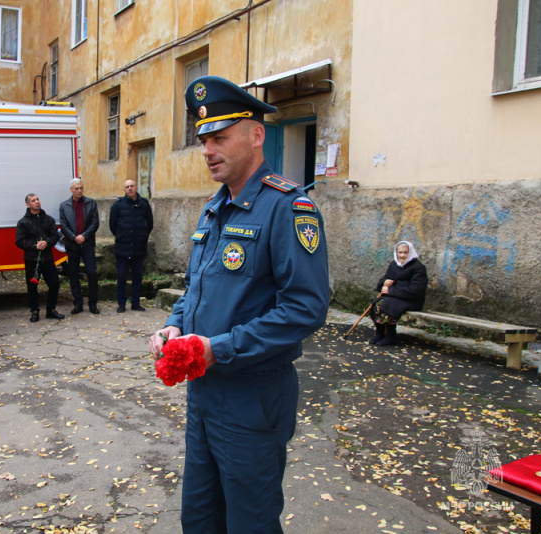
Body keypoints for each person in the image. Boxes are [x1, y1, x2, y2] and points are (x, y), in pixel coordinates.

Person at [148, 75, 329, 533]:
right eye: (203, 139)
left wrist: (219, 349)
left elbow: (305, 308)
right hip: (205, 393)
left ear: (255, 135)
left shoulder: (288, 207)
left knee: (250, 522)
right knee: (201, 518)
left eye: (219, 138)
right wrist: (174, 325)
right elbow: (196, 289)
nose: (207, 150)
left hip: (254, 395)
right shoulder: (215, 208)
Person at [15, 193, 65, 322]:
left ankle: (51, 310)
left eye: (37, 199)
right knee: (32, 287)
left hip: (47, 258)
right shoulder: (23, 222)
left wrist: (47, 242)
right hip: (32, 259)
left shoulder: (48, 219)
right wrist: (34, 245)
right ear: (28, 204)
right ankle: (34, 311)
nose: (37, 202)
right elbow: (19, 241)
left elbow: (55, 236)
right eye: (33, 200)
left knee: (54, 284)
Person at [369, 240, 428, 346]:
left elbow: (417, 290)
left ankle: (391, 335)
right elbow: (385, 280)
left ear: (410, 253)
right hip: (394, 297)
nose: (402, 255)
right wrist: (384, 283)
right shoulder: (394, 264)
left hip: (411, 300)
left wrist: (390, 291)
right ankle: (380, 333)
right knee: (377, 304)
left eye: (405, 252)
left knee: (387, 304)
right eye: (400, 252)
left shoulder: (418, 267)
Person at [109, 180, 154, 313]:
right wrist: (121, 236)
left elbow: (150, 224)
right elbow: (113, 225)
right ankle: (121, 304)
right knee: (122, 277)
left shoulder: (144, 204)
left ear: (136, 187)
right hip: (122, 247)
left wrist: (143, 236)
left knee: (137, 277)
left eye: (132, 186)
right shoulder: (117, 205)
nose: (130, 188)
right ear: (124, 189)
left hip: (139, 247)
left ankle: (136, 303)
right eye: (127, 187)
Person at [59, 178, 100, 314]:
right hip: (72, 244)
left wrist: (84, 236)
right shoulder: (64, 206)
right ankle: (78, 303)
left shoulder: (90, 203)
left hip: (87, 243)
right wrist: (74, 237)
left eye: (81, 188)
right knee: (73, 274)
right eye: (76, 188)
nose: (79, 191)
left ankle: (93, 304)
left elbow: (95, 222)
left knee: (92, 272)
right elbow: (63, 225)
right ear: (71, 190)